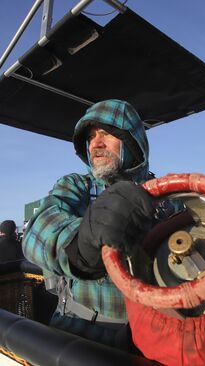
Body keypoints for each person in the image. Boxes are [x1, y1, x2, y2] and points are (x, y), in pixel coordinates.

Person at [22, 99, 155, 348]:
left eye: (105, 134)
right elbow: (36, 231)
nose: (96, 143)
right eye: (91, 137)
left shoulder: (165, 198)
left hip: (153, 337)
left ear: (131, 141)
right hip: (80, 329)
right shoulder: (77, 186)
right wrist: (83, 243)